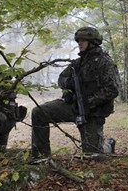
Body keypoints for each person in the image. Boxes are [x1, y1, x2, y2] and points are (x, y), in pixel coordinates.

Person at [31, 27, 120, 159]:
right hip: (72, 107)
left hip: (92, 113)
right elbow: (61, 79)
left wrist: (88, 102)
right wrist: (70, 83)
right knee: (39, 112)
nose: (80, 43)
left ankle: (108, 146)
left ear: (93, 42)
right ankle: (41, 157)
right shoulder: (77, 63)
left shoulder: (105, 62)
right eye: (79, 40)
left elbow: (113, 89)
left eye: (83, 40)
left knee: (93, 154)